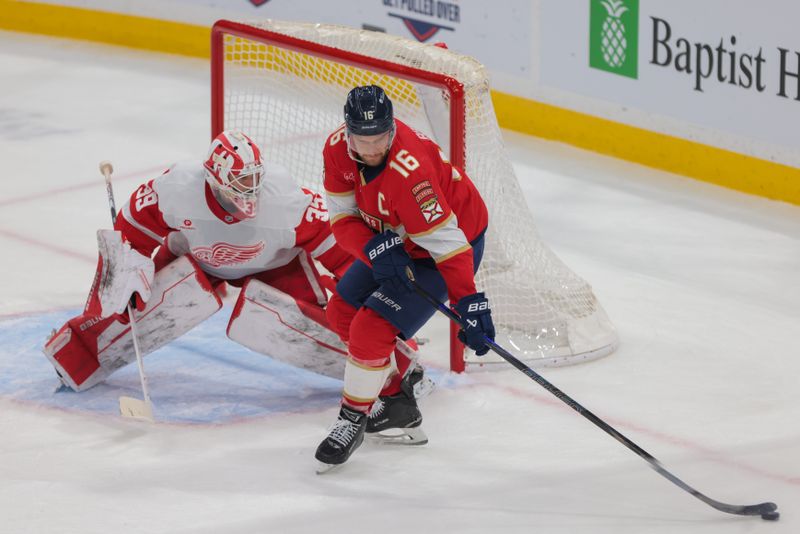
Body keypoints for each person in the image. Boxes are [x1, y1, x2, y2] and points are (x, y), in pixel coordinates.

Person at [44, 130, 419, 393]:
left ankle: (392, 368)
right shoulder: (178, 187)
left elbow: (341, 251)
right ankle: (79, 353)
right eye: (238, 184)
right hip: (195, 260)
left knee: (325, 322)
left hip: (277, 266)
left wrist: (376, 305)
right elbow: (131, 228)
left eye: (253, 180)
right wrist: (129, 264)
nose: (249, 192)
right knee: (130, 305)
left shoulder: (285, 197)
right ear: (213, 179)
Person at [315, 85, 495, 471]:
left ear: (392, 127)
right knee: (341, 314)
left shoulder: (412, 175)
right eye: (363, 138)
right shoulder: (335, 150)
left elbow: (448, 246)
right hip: (395, 237)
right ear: (348, 132)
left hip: (445, 249)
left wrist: (469, 302)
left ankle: (351, 420)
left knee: (369, 330)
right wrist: (375, 249)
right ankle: (397, 402)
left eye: (380, 136)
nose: (373, 147)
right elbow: (342, 219)